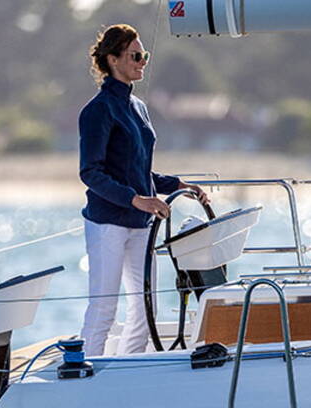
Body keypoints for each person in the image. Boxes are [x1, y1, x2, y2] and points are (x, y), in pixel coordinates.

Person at [78, 23, 207, 356]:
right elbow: (91, 172)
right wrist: (136, 200)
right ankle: (85, 371)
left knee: (145, 307)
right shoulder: (97, 110)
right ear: (113, 59)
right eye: (135, 56)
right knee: (104, 306)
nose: (143, 62)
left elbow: (136, 169)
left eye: (144, 55)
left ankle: (129, 367)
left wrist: (178, 185)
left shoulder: (138, 106)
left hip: (140, 223)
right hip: (107, 223)